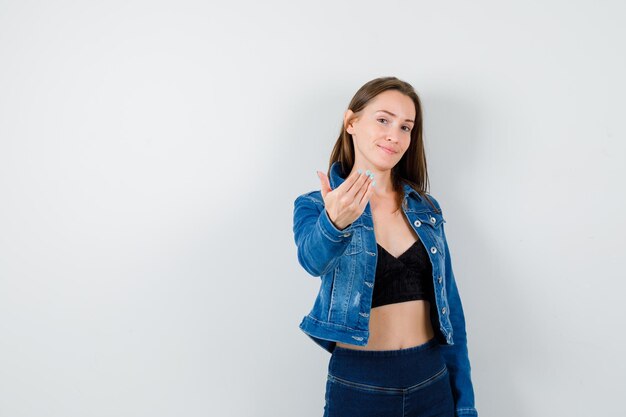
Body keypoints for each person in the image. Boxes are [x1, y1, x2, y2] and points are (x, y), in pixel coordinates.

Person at [292, 76, 478, 417]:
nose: (395, 135)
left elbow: (450, 306)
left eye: (406, 127)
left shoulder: (426, 207)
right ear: (351, 122)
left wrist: (464, 403)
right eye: (383, 120)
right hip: (360, 384)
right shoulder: (317, 205)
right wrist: (336, 223)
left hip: (431, 378)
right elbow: (311, 260)